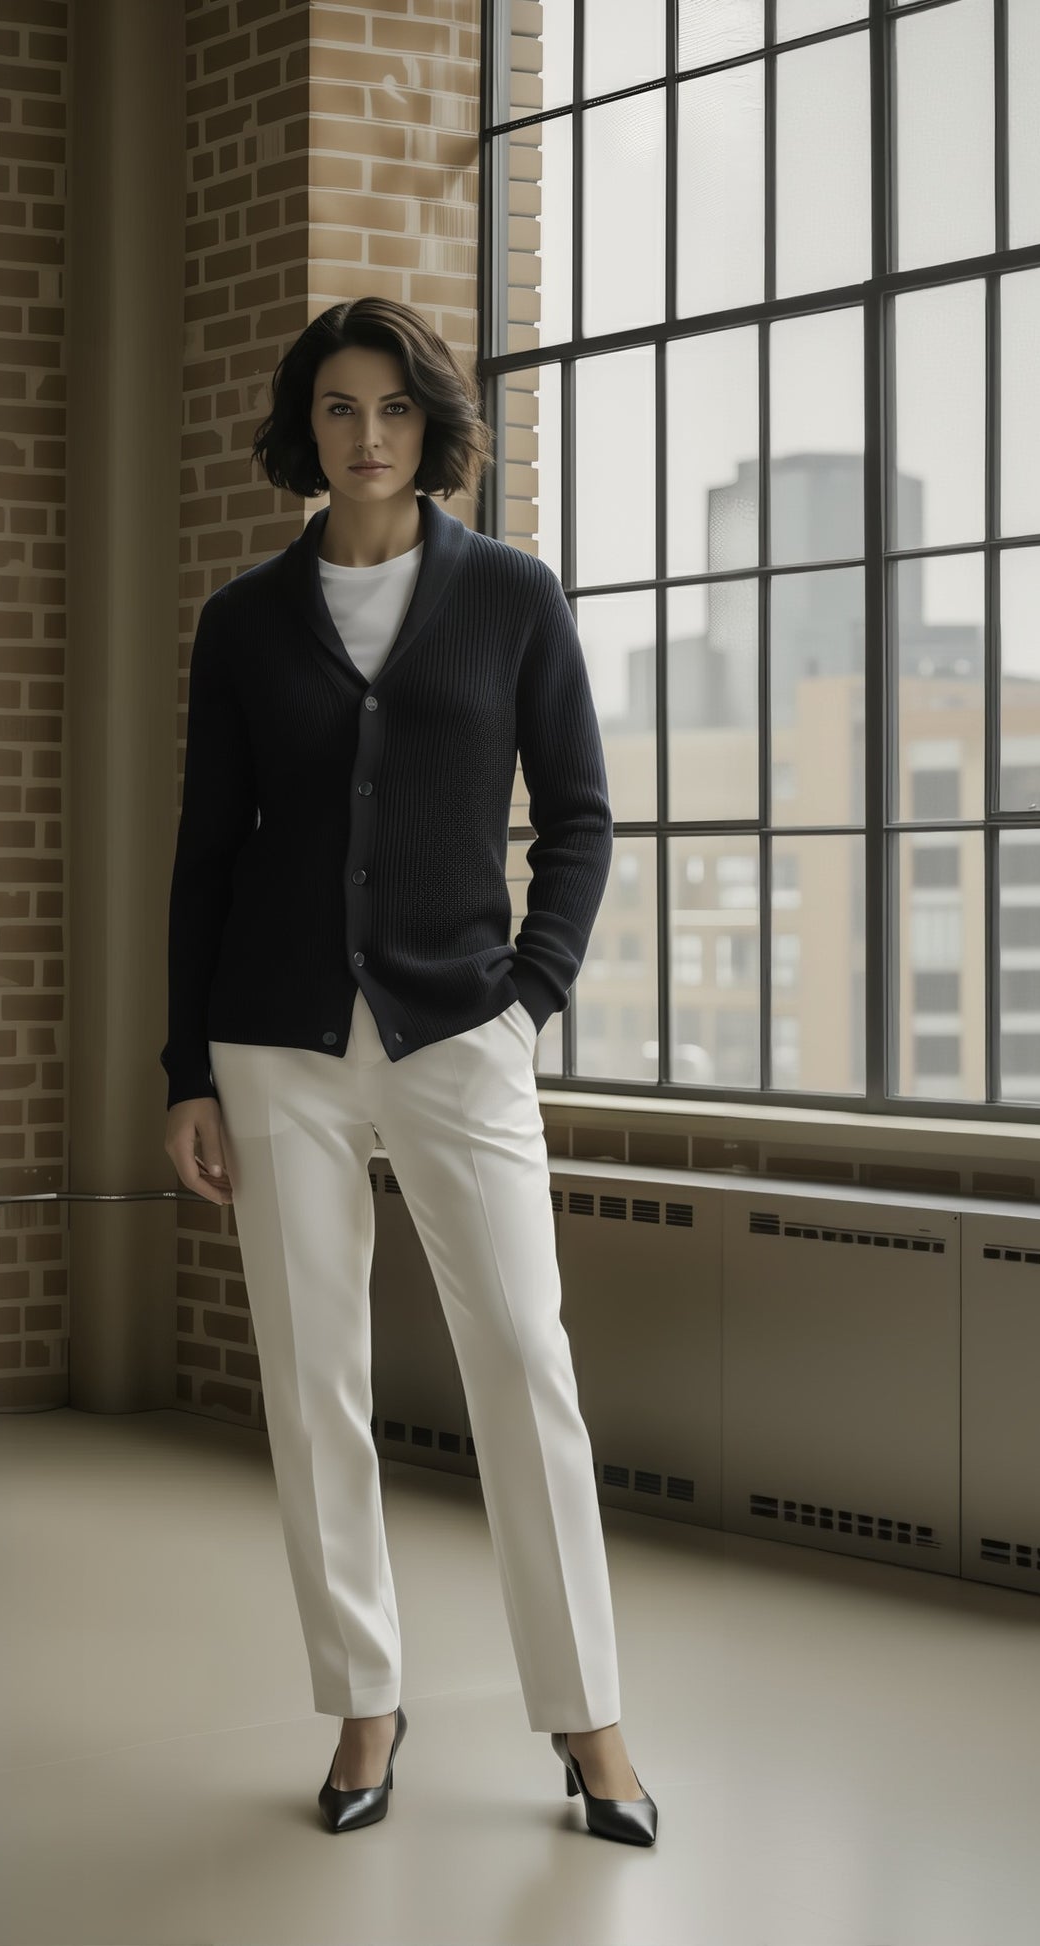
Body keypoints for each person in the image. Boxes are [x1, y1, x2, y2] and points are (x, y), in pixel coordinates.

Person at [158, 296, 656, 1846]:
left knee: (522, 1358)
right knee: (314, 1385)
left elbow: (576, 816)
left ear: (430, 427)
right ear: (302, 432)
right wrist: (186, 1066)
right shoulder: (243, 620)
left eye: (390, 410)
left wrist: (530, 999)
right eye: (335, 410)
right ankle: (363, 1702)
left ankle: (588, 1720)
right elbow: (202, 855)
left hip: (459, 1032)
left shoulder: (509, 596)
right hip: (275, 1044)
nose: (364, 437)